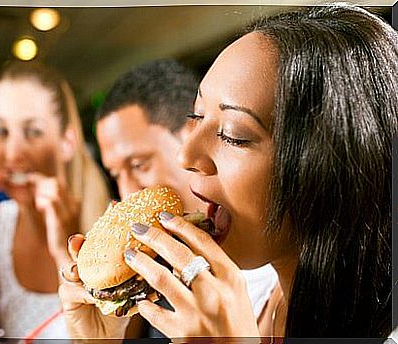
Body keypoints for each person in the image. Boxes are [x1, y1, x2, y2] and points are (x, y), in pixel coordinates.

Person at [59, 4, 395, 339]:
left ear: (329, 168)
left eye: (233, 134)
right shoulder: (236, 299)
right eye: (197, 116)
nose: (185, 155)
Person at [59, 59, 278, 339]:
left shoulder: (278, 274)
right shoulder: (158, 286)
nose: (128, 193)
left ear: (192, 136)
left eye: (140, 165)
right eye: (115, 175)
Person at [0, 62, 110, 339]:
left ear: (66, 142)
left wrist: (67, 250)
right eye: (1, 131)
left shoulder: (109, 223)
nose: (12, 153)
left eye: (33, 132)